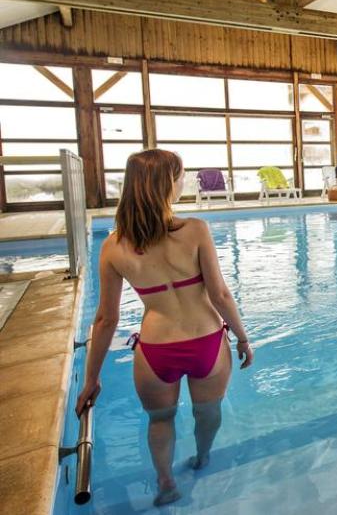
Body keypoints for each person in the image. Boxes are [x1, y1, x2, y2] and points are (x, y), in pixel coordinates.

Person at [75, 149, 253, 507]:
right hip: (206, 342)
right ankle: (203, 457)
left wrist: (91, 378)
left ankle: (166, 481)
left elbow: (105, 320)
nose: (183, 181)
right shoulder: (195, 230)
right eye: (181, 175)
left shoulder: (113, 247)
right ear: (168, 183)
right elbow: (219, 293)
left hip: (157, 349)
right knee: (208, 411)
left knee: (160, 420)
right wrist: (243, 336)